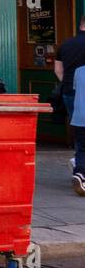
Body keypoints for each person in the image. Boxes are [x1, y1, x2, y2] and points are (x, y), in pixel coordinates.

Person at [54, 16, 85, 195]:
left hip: (69, 92)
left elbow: (58, 70)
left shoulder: (66, 44)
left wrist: (69, 85)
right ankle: (79, 167)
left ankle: (79, 165)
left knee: (80, 130)